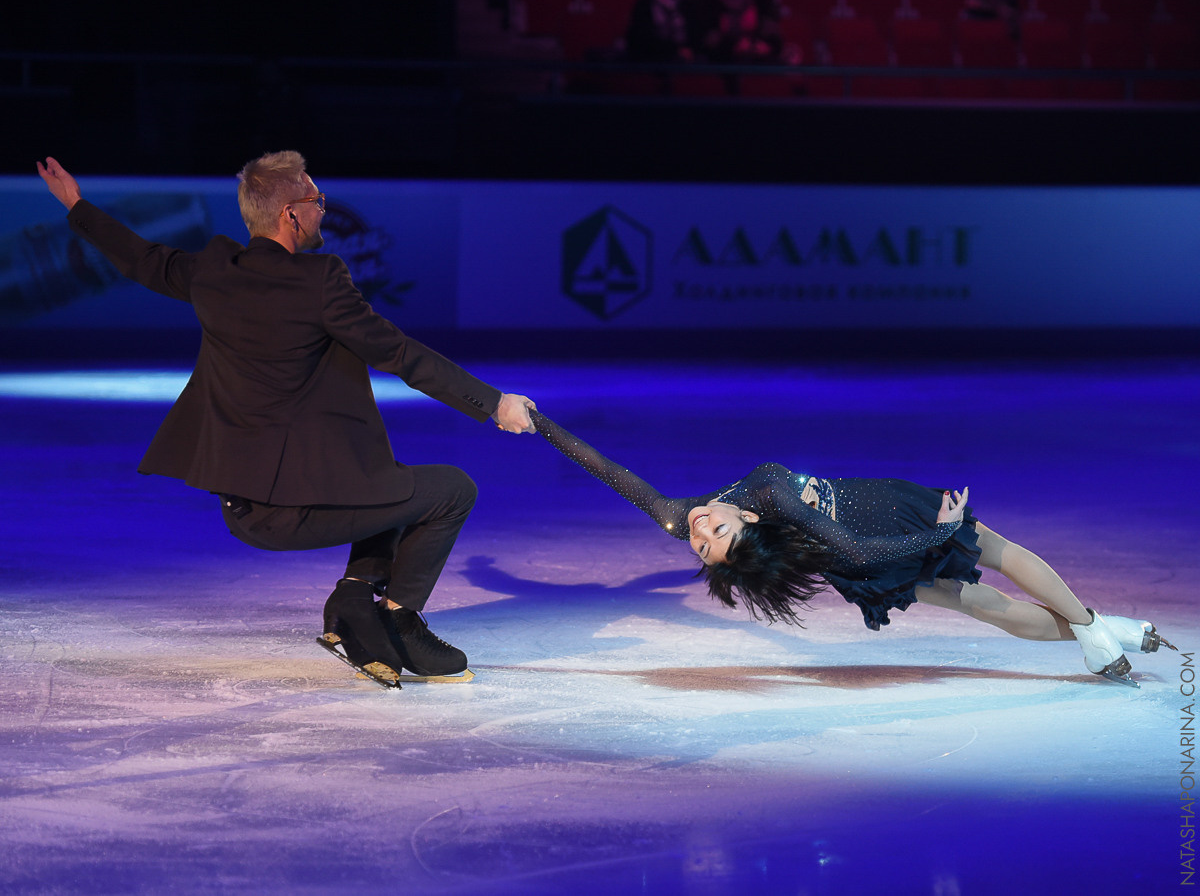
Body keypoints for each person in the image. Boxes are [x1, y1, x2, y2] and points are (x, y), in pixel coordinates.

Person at [37, 153, 537, 688]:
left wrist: (77, 206)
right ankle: (399, 620)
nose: (322, 210)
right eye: (316, 201)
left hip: (243, 507)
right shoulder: (319, 281)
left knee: (388, 480)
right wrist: (493, 403)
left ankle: (352, 601)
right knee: (451, 490)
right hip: (295, 509)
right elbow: (398, 354)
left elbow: (141, 258)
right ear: (291, 215)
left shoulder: (213, 272)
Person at [530, 410, 1174, 688]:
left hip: (861, 552)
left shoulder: (678, 516)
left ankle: (1107, 631)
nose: (698, 530)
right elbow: (862, 551)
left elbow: (608, 470)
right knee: (996, 559)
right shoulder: (772, 499)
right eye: (710, 542)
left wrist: (539, 424)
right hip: (885, 522)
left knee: (979, 604)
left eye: (706, 539)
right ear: (749, 517)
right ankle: (1093, 626)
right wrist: (942, 532)